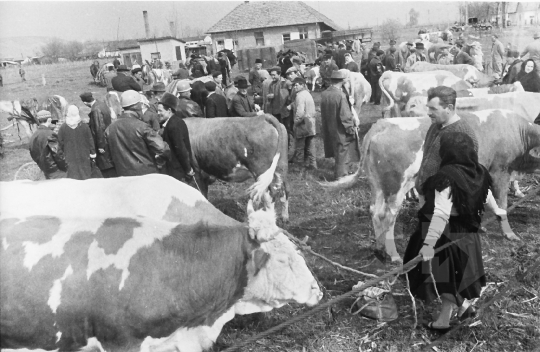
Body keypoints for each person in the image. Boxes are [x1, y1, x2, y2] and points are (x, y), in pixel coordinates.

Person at [404, 131, 491, 331]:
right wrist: (500, 213)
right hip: (467, 232)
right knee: (455, 275)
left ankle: (443, 321)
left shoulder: (446, 179)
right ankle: (463, 307)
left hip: (445, 234)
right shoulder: (478, 171)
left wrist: (428, 244)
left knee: (445, 278)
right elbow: (486, 195)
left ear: (447, 153)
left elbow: (441, 214)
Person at [105, 90, 167, 176]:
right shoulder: (142, 127)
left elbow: (108, 157)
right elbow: (161, 147)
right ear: (137, 106)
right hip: (146, 174)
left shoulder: (110, 128)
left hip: (123, 174)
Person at [320, 70, 359, 179]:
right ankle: (341, 176)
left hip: (329, 127)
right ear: (342, 81)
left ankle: (342, 171)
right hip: (340, 128)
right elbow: (345, 115)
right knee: (343, 151)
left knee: (337, 151)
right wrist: (350, 128)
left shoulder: (325, 94)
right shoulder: (340, 96)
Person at [157, 93, 195, 183]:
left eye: (160, 111)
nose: (158, 114)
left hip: (177, 170)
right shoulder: (171, 122)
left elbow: (181, 149)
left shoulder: (174, 125)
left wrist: (188, 169)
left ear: (169, 110)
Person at [57, 105, 100, 180]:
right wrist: (93, 154)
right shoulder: (84, 126)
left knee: (73, 179)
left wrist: (61, 157)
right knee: (85, 177)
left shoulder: (63, 128)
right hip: (84, 157)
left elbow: (60, 144)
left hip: (70, 158)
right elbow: (90, 142)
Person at [79, 92, 116, 178]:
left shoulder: (95, 110)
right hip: (108, 137)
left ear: (85, 102)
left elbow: (99, 128)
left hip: (102, 141)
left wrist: (100, 145)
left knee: (105, 165)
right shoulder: (102, 104)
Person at [28, 110, 66, 179]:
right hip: (56, 171)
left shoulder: (34, 135)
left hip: (45, 170)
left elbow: (32, 151)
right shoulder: (50, 134)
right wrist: (65, 167)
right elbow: (58, 154)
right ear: (49, 120)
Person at [290, 77, 317, 170]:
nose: (295, 87)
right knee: (310, 145)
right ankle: (313, 164)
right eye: (294, 85)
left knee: (300, 147)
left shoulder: (300, 96)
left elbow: (300, 113)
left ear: (302, 85)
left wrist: (295, 123)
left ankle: (299, 167)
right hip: (311, 124)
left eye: (297, 85)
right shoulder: (307, 94)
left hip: (302, 124)